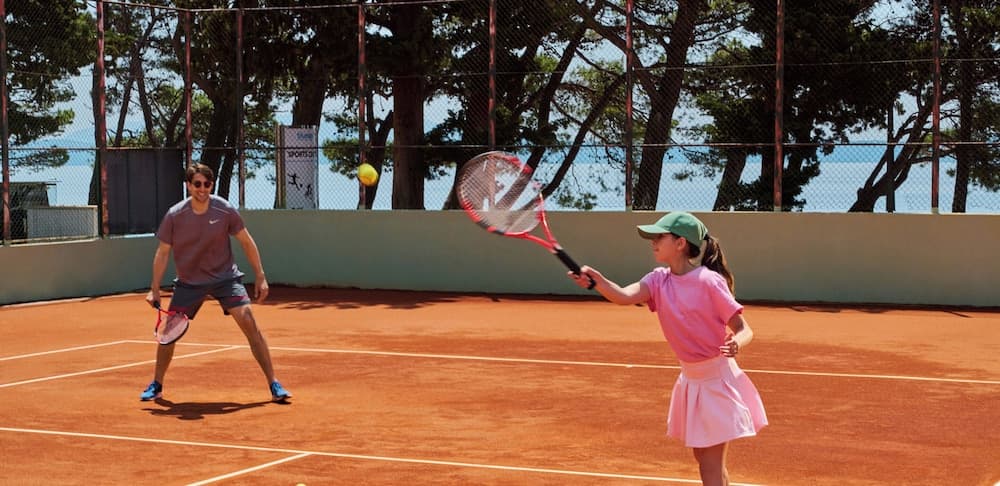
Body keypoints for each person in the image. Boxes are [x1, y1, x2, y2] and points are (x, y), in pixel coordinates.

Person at [568, 211, 766, 486]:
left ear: (680, 243)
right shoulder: (658, 280)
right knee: (705, 458)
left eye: (660, 237)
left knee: (709, 465)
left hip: (716, 380)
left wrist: (737, 342)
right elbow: (624, 296)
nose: (653, 242)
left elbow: (744, 328)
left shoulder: (708, 281)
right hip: (691, 379)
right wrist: (598, 282)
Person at [140, 163, 291, 403]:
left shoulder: (224, 209)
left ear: (211, 185)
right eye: (197, 184)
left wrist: (260, 275)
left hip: (225, 279)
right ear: (188, 185)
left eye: (207, 184)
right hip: (189, 283)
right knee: (169, 334)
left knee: (249, 320)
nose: (202, 189)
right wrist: (155, 289)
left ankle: (274, 383)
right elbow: (162, 253)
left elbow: (246, 241)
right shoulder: (175, 215)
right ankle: (156, 384)